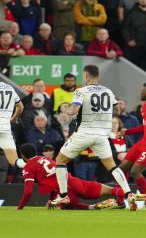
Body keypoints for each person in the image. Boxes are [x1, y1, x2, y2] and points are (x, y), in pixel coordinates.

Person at [54, 65, 135, 210]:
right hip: (102, 135)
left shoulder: (80, 91)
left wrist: (66, 108)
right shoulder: (108, 91)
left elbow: (73, 111)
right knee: (112, 166)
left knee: (60, 160)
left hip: (85, 133)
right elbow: (116, 109)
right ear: (98, 76)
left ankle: (63, 195)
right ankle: (129, 193)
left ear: (86, 76)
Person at [17, 143, 141, 210]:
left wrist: (20, 207)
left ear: (23, 156)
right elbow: (53, 178)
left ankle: (93, 207)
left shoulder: (28, 167)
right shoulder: (46, 159)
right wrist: (52, 198)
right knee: (110, 190)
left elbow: (28, 191)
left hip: (65, 190)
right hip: (74, 181)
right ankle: (123, 199)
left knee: (69, 206)